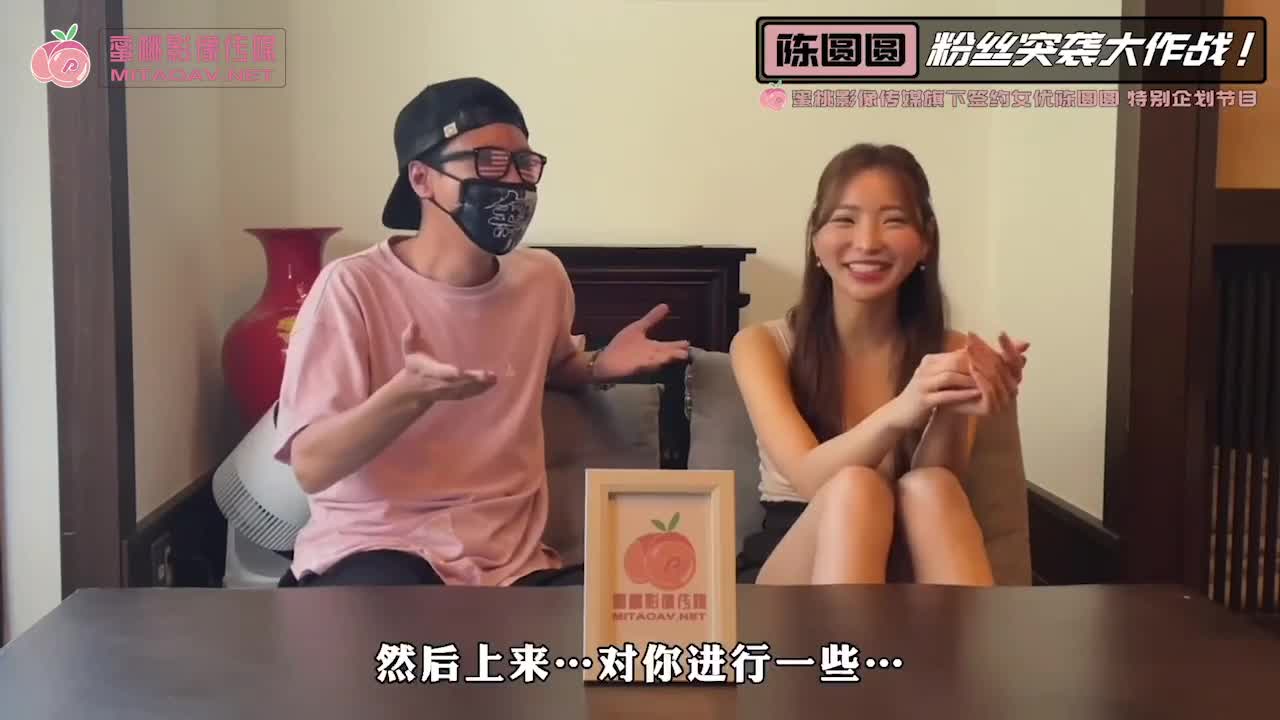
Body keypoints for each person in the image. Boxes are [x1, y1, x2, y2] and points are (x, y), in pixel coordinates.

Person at [273, 77, 690, 587]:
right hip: (378, 549)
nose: (513, 181)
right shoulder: (352, 287)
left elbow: (549, 365)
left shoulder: (542, 279)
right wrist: (407, 396)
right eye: (488, 161)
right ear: (422, 179)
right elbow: (311, 466)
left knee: (636, 615)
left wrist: (599, 365)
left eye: (524, 164)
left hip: (513, 564)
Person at [730, 143, 1029, 587]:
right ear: (815, 238)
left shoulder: (952, 349)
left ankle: (974, 636)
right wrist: (905, 407)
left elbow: (939, 478)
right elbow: (811, 479)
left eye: (893, 221)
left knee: (932, 486)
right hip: (794, 563)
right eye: (844, 220)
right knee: (856, 486)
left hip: (907, 561)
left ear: (926, 241)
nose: (867, 243)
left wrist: (954, 406)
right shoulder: (762, 345)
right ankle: (853, 639)